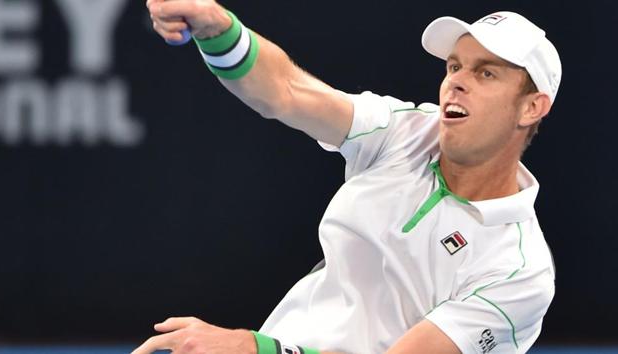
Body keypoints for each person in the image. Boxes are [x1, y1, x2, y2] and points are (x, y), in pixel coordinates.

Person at [135, 1, 560, 353]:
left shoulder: (520, 272)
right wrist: (219, 28)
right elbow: (286, 90)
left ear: (530, 108)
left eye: (485, 73)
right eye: (454, 67)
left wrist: (255, 348)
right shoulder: (406, 130)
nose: (456, 83)